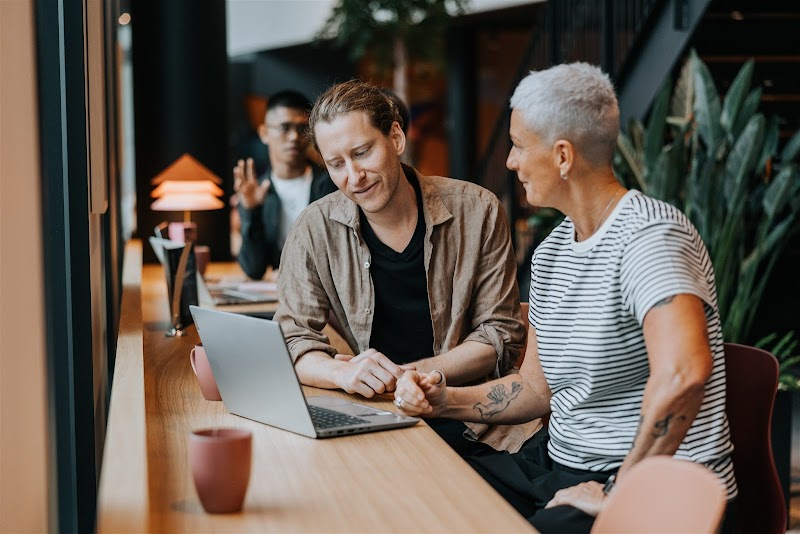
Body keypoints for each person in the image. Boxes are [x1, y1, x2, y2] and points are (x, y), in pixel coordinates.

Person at [394, 63, 737, 533]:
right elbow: (536, 389)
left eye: (517, 145)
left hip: (651, 486)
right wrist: (443, 401)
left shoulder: (651, 235)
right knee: (427, 488)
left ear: (561, 156)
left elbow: (683, 375)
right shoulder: (553, 252)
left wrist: (620, 490)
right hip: (559, 465)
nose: (510, 161)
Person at [273, 80, 526, 453]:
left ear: (395, 137)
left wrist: (414, 373)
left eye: (362, 152)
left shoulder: (478, 210)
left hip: (471, 420)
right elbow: (292, 340)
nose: (353, 176)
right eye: (336, 164)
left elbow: (499, 335)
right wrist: (341, 372)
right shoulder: (314, 227)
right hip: (374, 418)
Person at [234, 90, 337, 279]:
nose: (294, 137)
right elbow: (254, 269)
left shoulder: (330, 184)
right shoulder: (258, 191)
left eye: (301, 129)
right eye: (284, 128)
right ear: (264, 133)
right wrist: (251, 210)